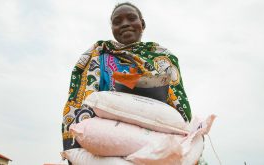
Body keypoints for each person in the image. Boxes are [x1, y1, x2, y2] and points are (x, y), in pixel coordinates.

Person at [61, 2, 192, 162]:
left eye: (131, 18)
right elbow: (85, 102)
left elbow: (178, 104)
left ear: (142, 24)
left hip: (157, 133)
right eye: (117, 21)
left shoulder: (164, 59)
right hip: (107, 136)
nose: (125, 24)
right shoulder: (99, 57)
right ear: (112, 29)